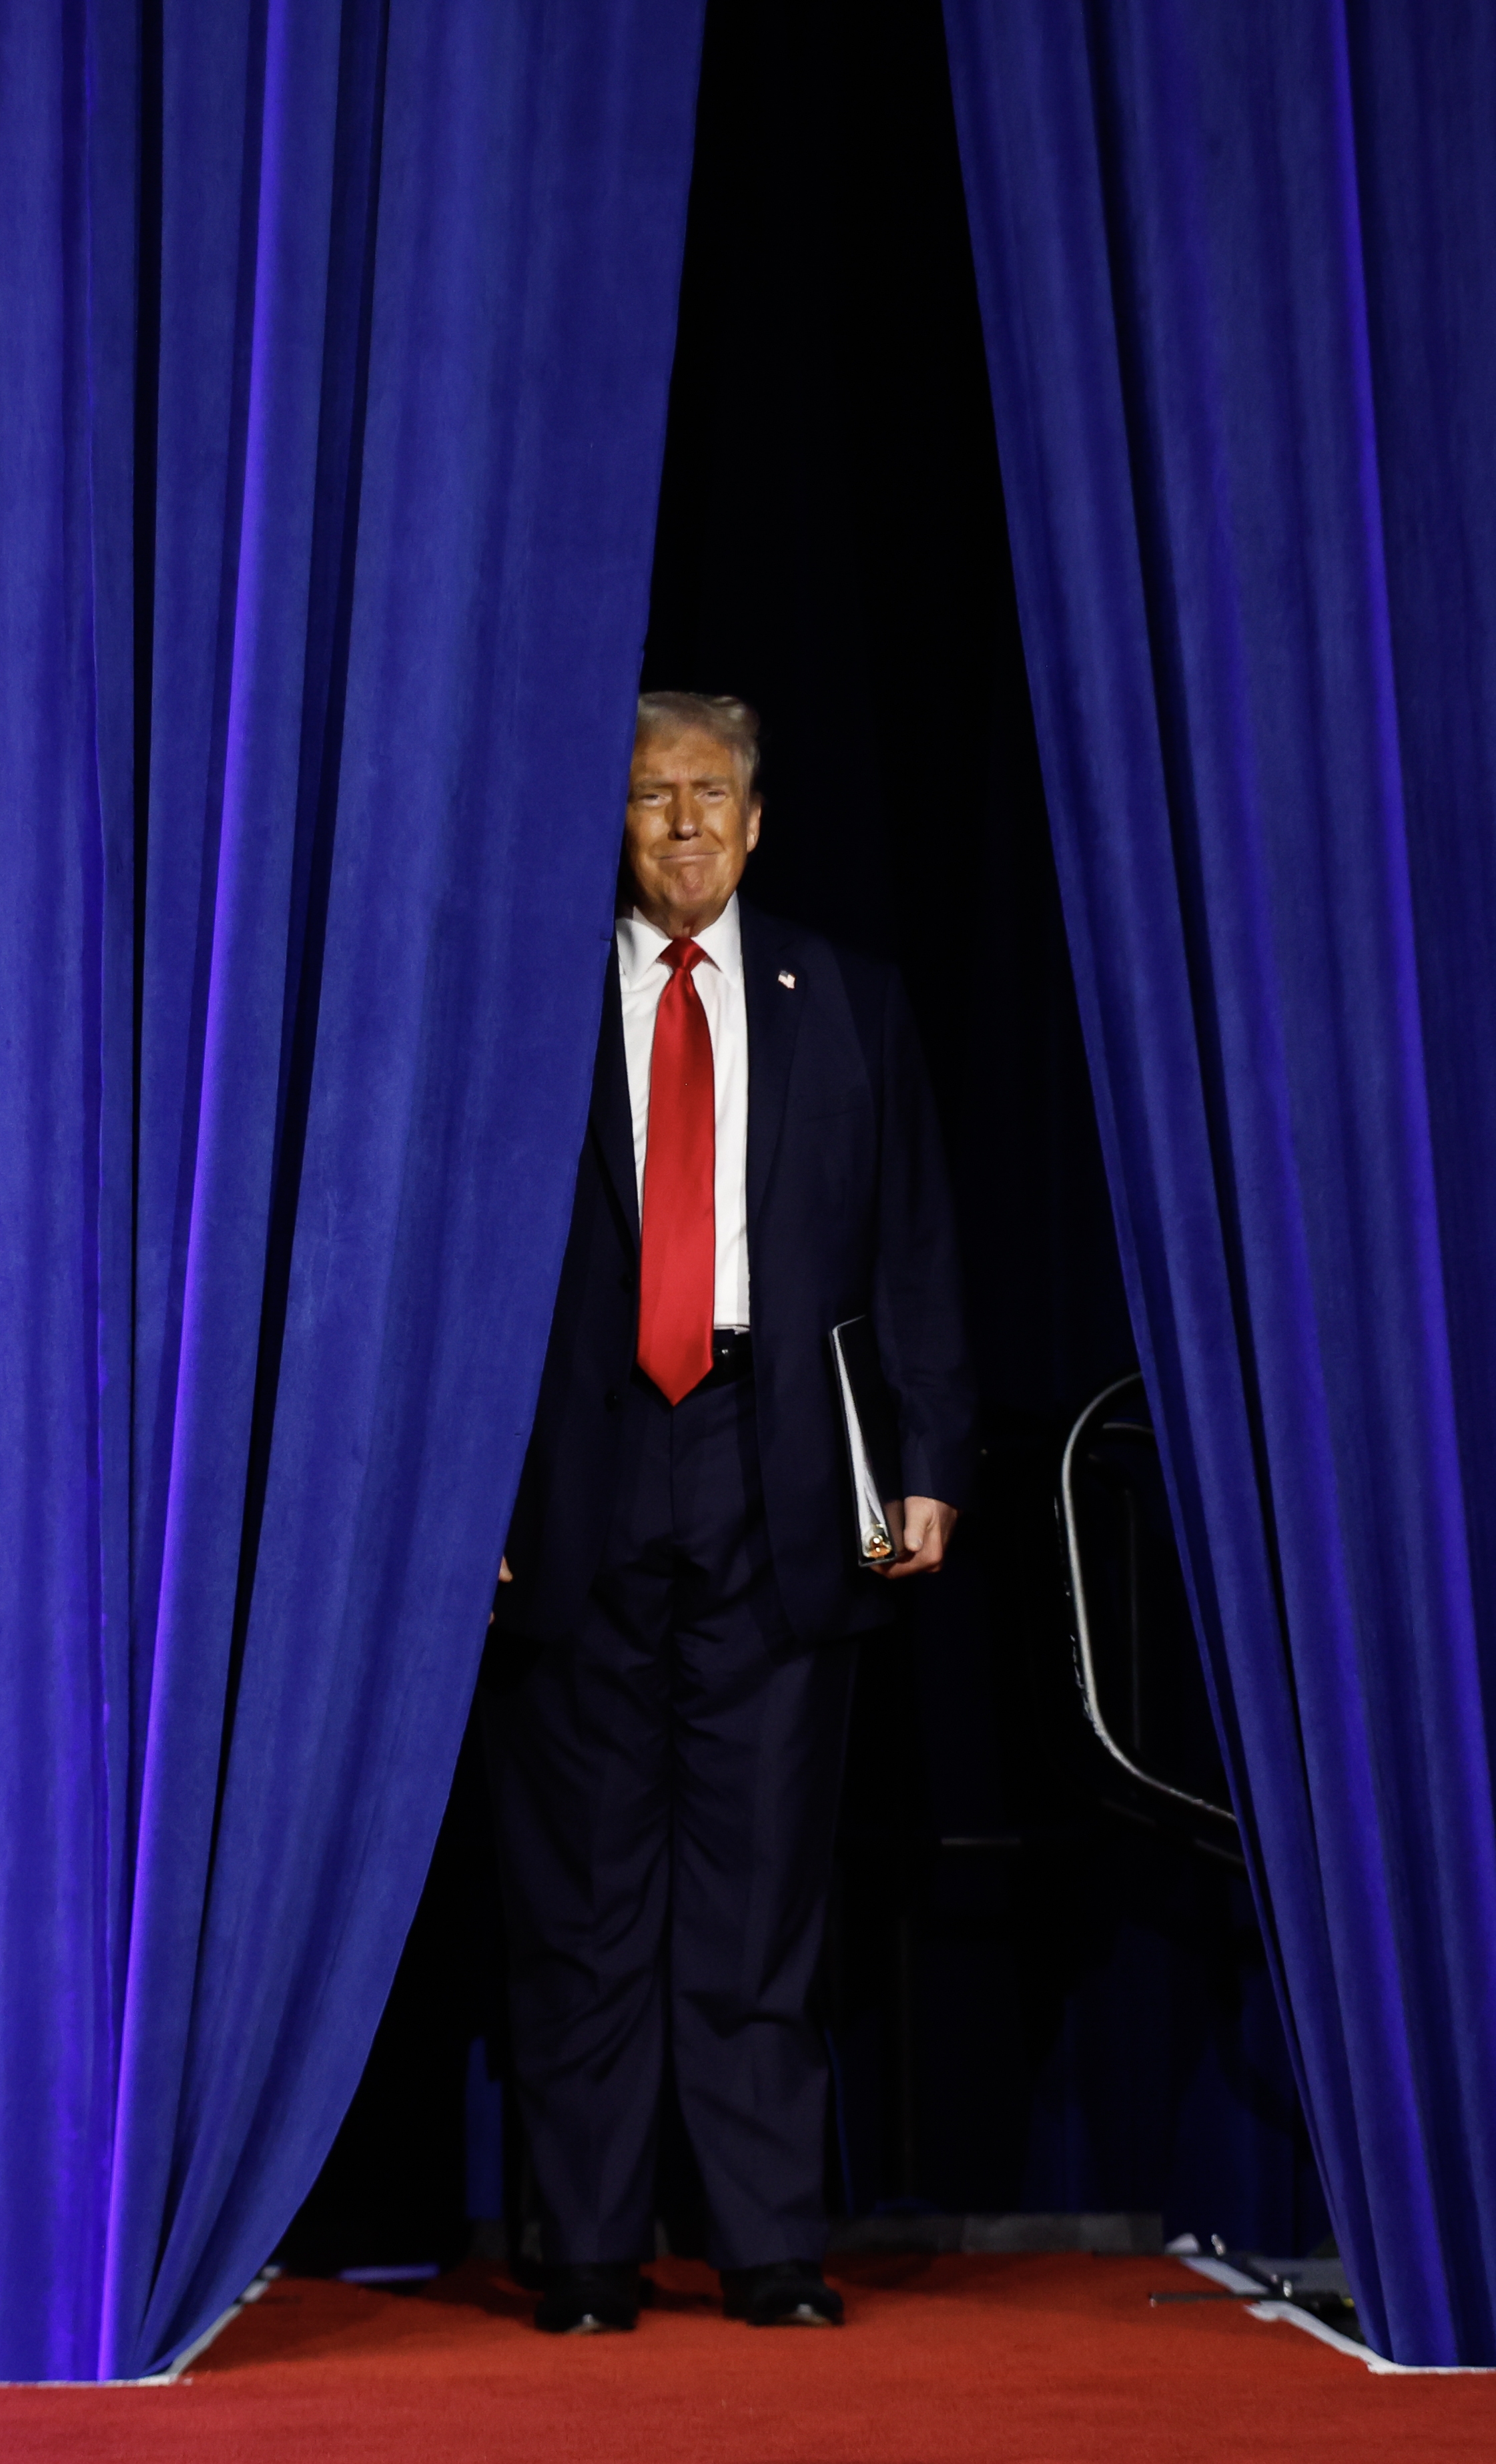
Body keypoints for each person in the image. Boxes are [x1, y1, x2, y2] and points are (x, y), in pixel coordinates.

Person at [488, 691, 972, 2335]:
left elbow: (909, 1244)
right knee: (585, 1888)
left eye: (709, 793)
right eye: (647, 798)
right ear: (609, 825)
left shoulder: (842, 997)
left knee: (761, 1882)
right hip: (585, 1463)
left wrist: (928, 1459)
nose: (682, 823)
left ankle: (767, 2244)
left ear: (757, 821)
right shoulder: (531, 1005)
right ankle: (584, 2249)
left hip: (773, 1461)